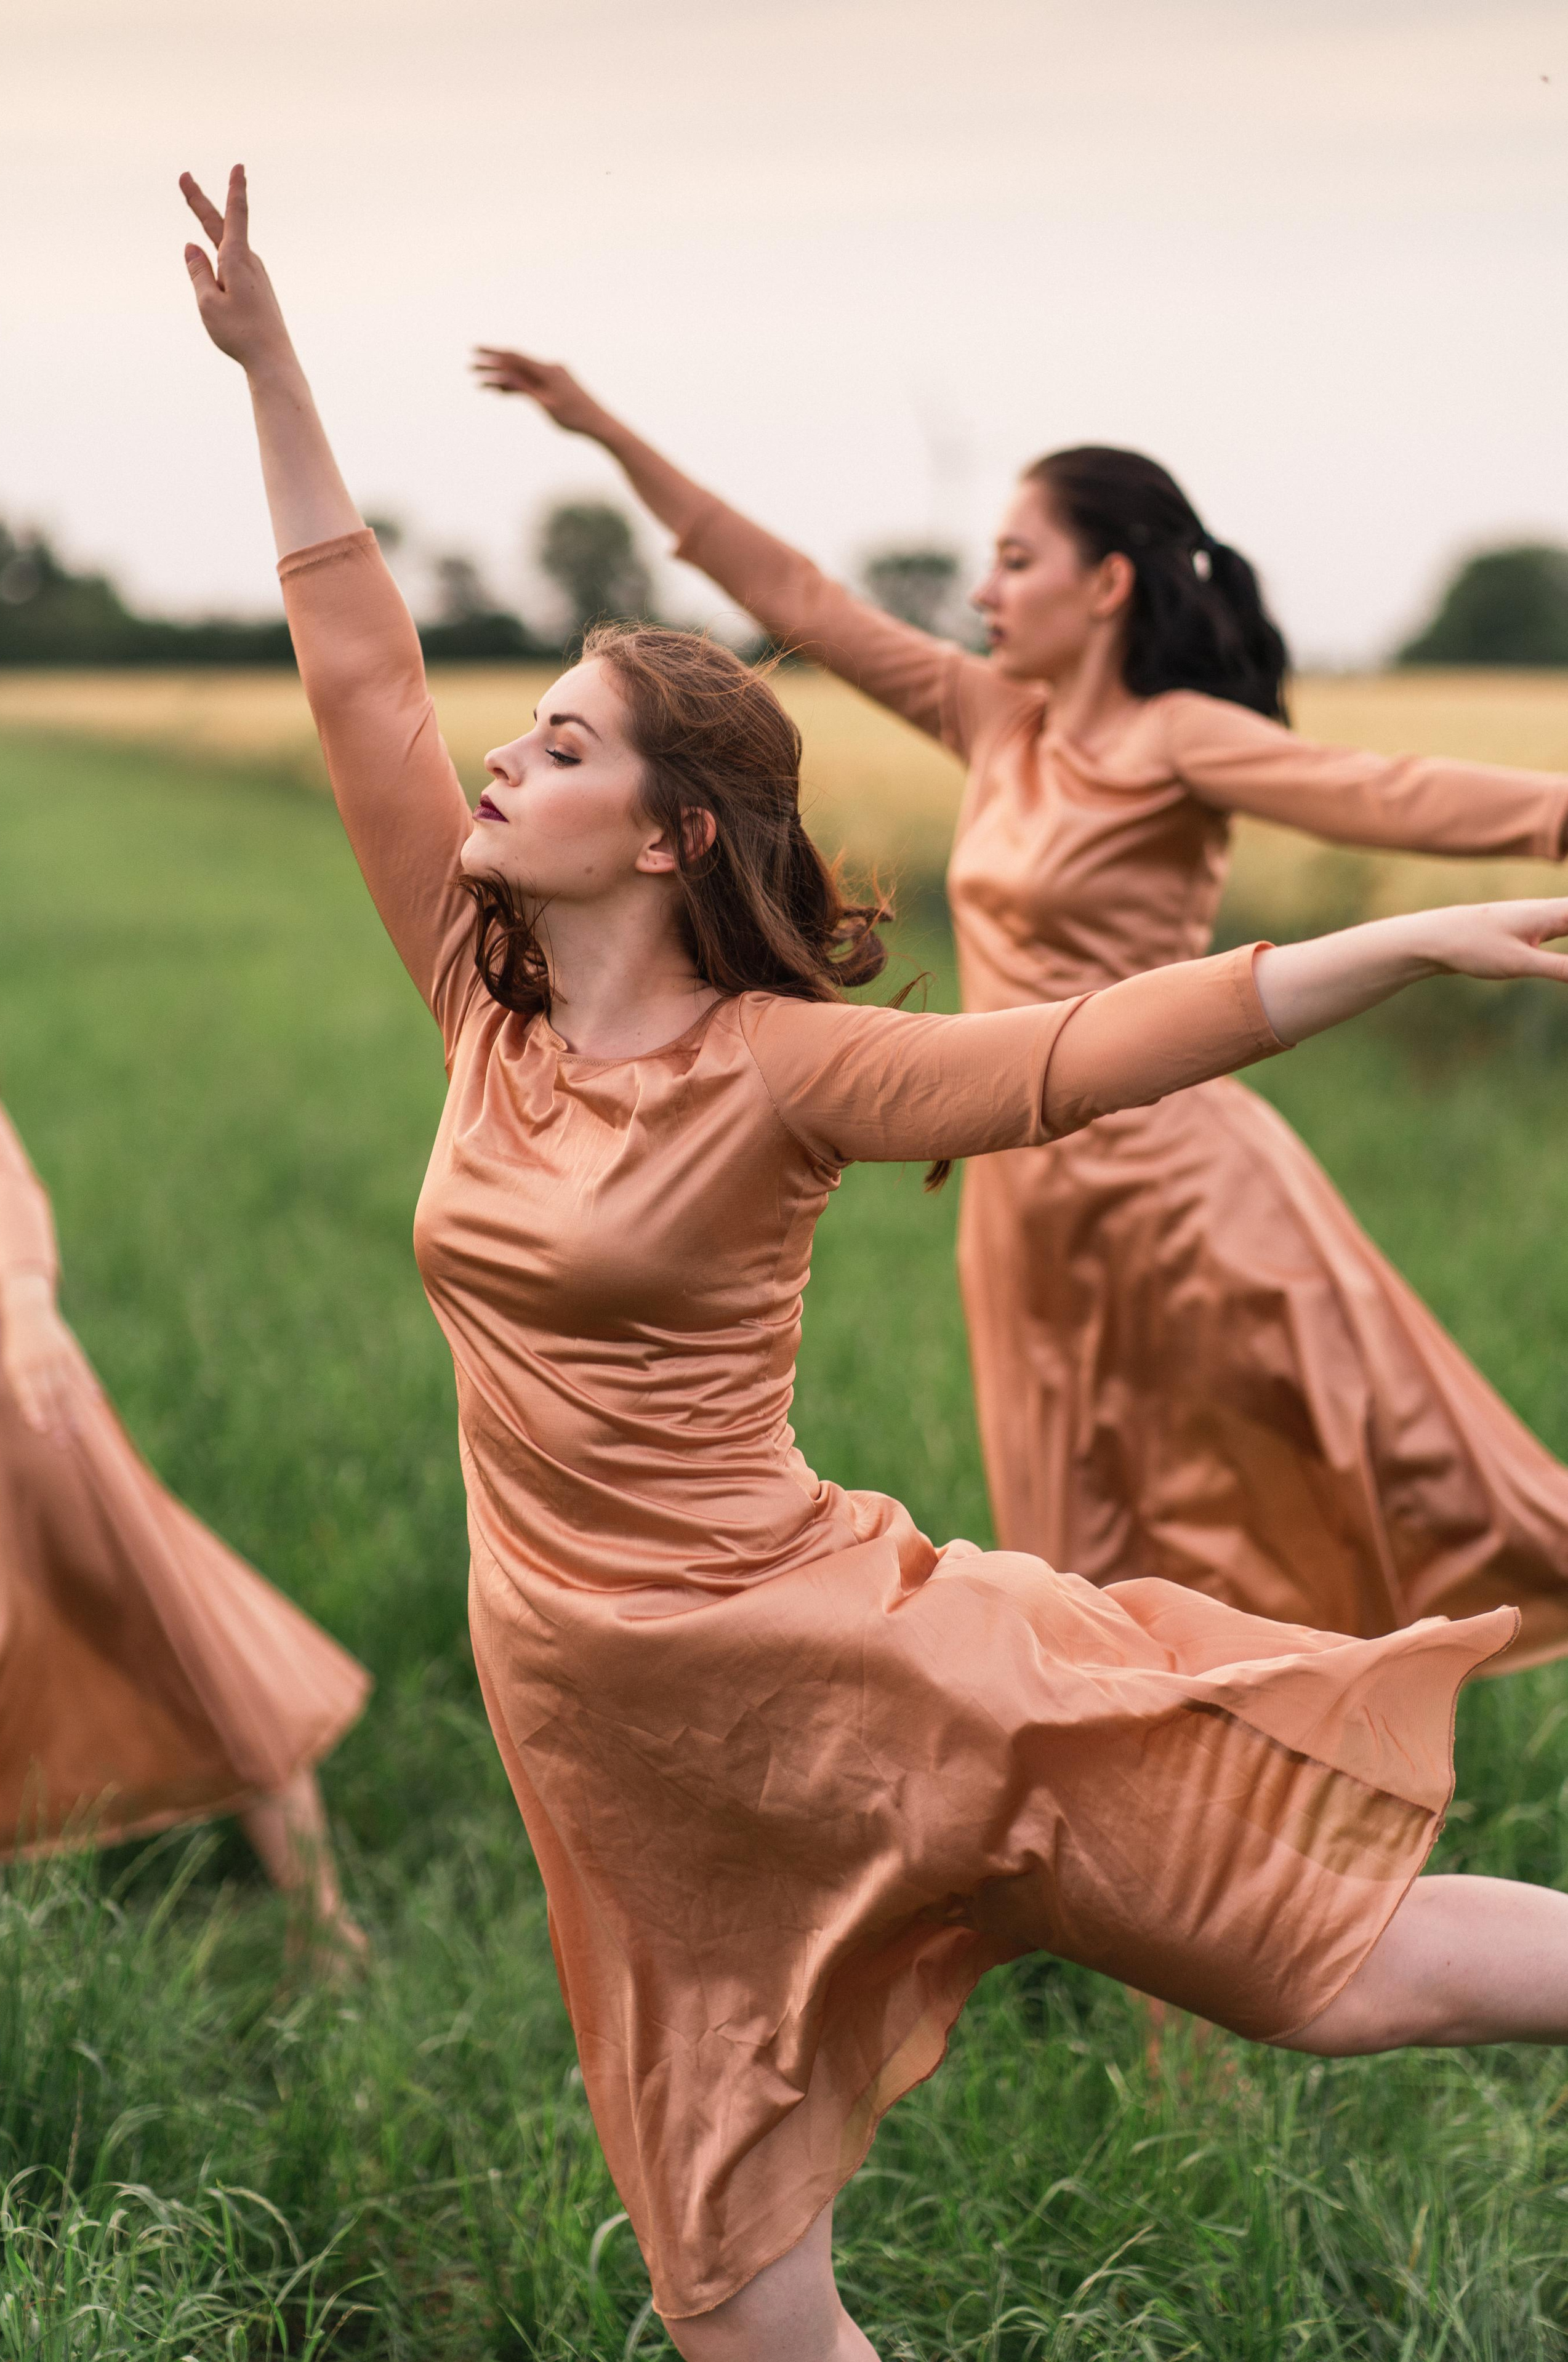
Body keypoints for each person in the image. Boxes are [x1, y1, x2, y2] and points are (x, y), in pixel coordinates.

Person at [183, 166, 1568, 2360]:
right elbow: (358, 664)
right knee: (740, 2318)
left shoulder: (787, 1066)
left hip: (845, 1664)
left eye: (554, 738)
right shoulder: (480, 999)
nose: (495, 754)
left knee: (1321, 1960)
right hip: (614, 1741)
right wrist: (275, 370)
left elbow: (1083, 1048)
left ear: (663, 836)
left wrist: (1382, 939)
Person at [472, 346, 1568, 1663]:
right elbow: (796, 597)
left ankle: (1315, 1773)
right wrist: (602, 427)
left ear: (1105, 583)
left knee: (1299, 1503)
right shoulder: (992, 721)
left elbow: (1384, 792)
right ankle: (1155, 1809)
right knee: (1077, 1556)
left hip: (1176, 1186)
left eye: (1016, 560)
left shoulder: (1178, 740)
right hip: (1024, 1193)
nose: (982, 591)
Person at [0, 1070, 369, 1969]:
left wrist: (26, 1303)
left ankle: (322, 1924)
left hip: (18, 1399)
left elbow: (0, 1177)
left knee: (176, 1623)